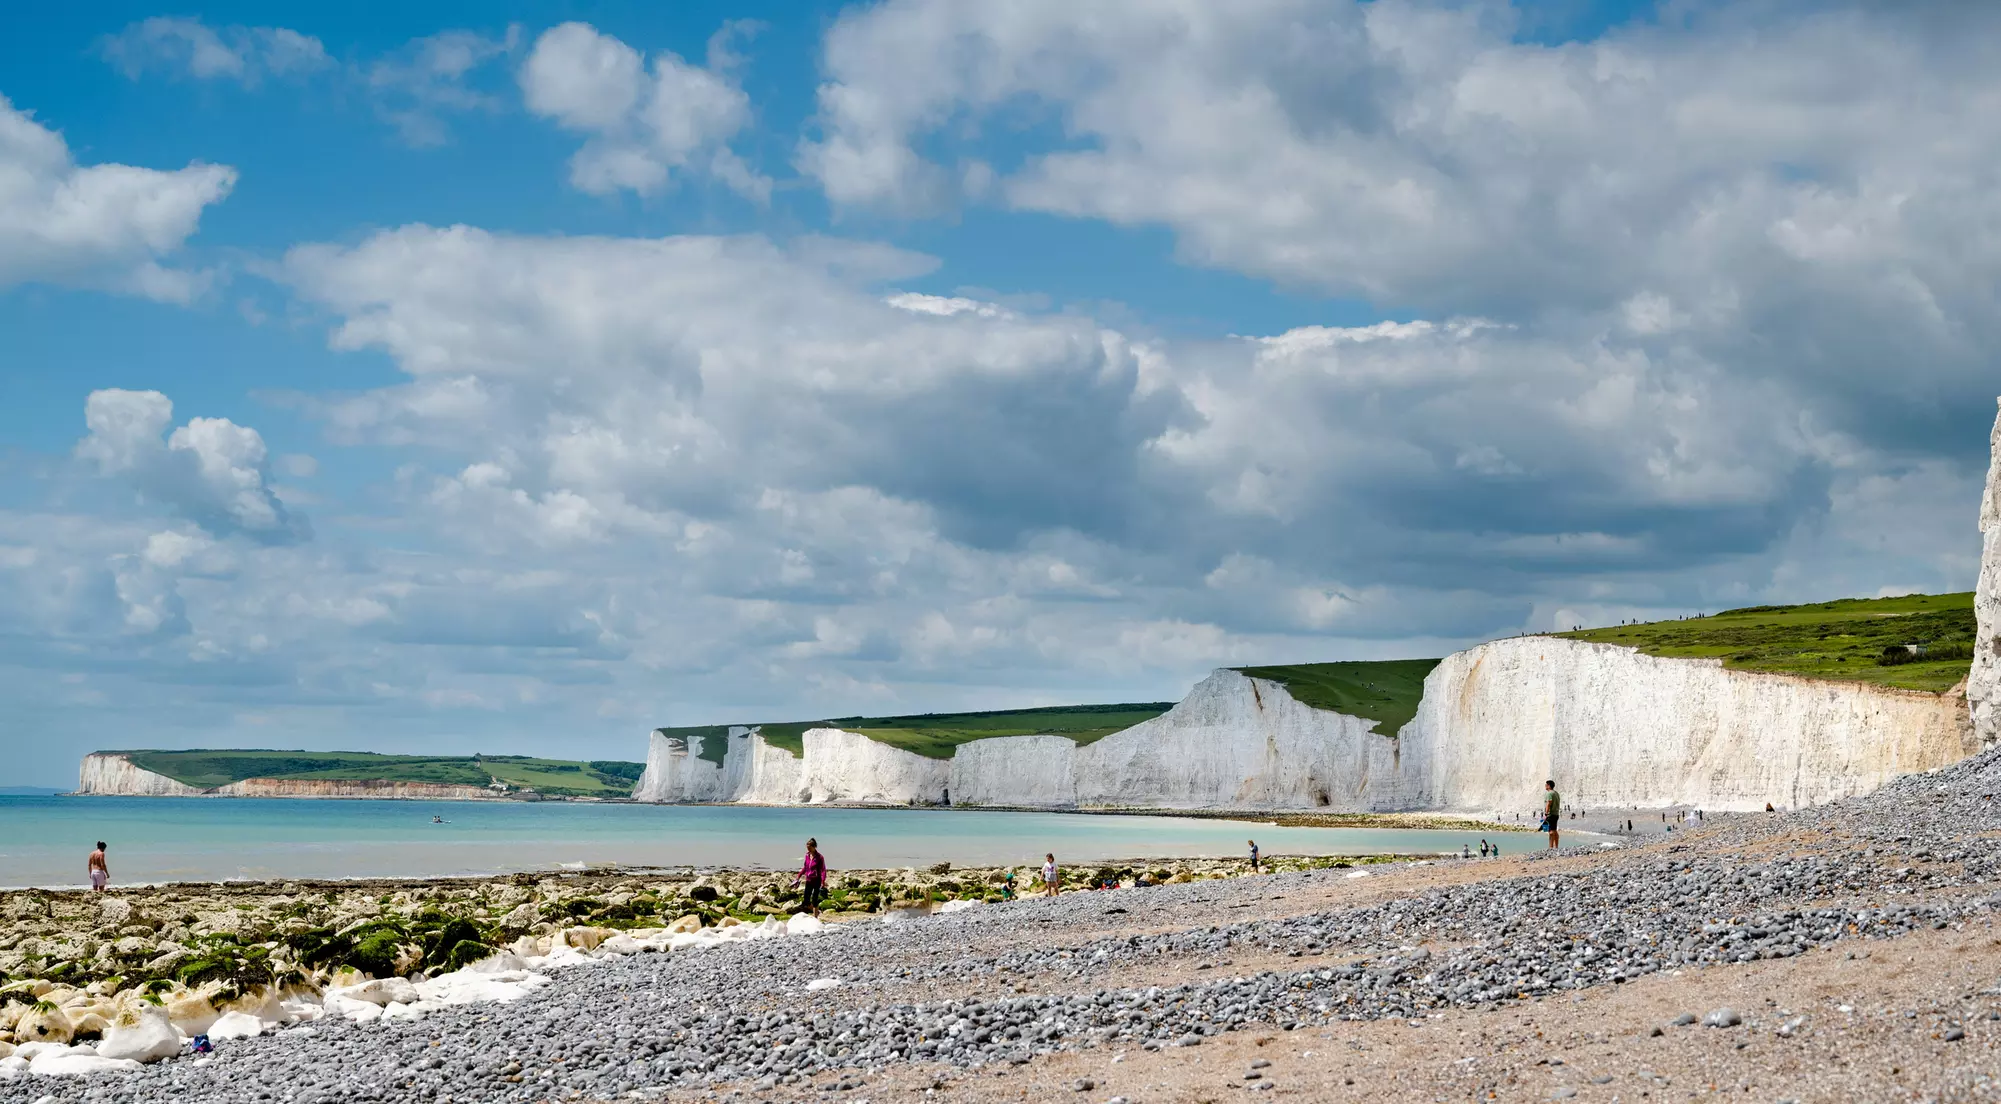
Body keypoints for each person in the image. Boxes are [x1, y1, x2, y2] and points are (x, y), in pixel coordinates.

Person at [792, 837, 828, 917]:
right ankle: (817, 912)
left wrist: (823, 881)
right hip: (808, 880)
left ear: (814, 847)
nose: (808, 850)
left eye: (809, 848)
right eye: (807, 848)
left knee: (815, 900)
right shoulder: (807, 856)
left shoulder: (820, 857)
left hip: (817, 880)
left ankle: (815, 917)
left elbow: (823, 870)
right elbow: (805, 867)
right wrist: (798, 876)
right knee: (806, 901)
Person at [1539, 780, 1561, 850]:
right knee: (1554, 830)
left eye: (1546, 785)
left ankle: (1551, 847)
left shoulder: (1549, 794)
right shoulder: (1556, 793)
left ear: (1549, 785)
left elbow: (1549, 803)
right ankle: (1556, 847)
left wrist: (1546, 814)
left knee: (1551, 831)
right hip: (1556, 814)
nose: (1545, 786)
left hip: (1551, 814)